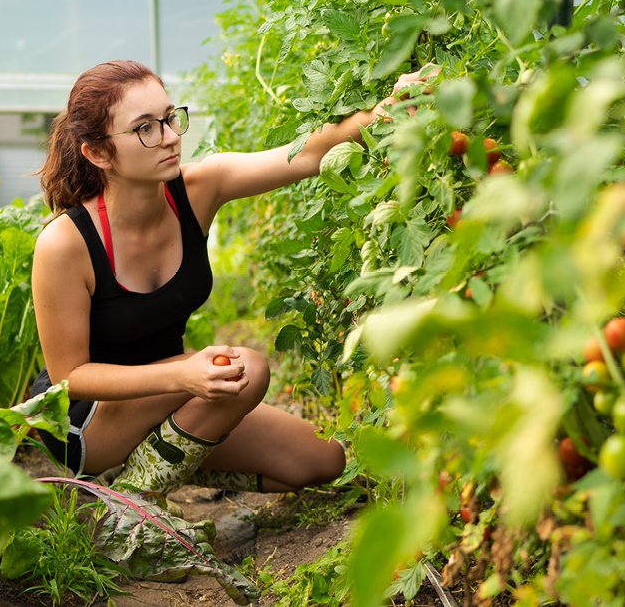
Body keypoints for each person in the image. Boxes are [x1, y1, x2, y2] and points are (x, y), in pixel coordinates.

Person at [28, 59, 435, 501]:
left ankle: (162, 464)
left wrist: (386, 112)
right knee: (248, 368)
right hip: (86, 421)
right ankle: (129, 512)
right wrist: (183, 375)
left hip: (175, 392)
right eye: (145, 128)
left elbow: (309, 155)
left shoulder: (199, 188)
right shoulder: (66, 243)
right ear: (99, 153)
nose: (169, 138)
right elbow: (71, 376)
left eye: (169, 118)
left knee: (323, 461)